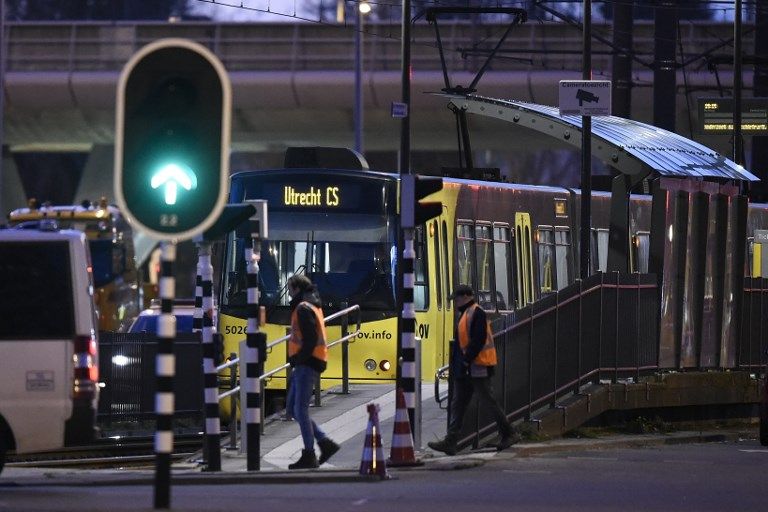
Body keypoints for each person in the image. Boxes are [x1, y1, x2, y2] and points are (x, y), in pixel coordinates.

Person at [428, 284, 520, 456]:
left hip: (477, 367)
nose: (454, 303)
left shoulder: (476, 313)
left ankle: (509, 433)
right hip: (466, 369)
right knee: (458, 404)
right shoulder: (466, 314)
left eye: (455, 299)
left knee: (488, 401)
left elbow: (477, 340)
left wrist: (466, 360)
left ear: (465, 297)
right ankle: (451, 441)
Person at [285, 274, 340, 469]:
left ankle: (310, 454)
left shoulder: (303, 309)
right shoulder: (309, 305)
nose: (289, 292)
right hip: (304, 363)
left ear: (297, 289)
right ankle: (325, 443)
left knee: (300, 409)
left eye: (290, 288)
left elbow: (309, 339)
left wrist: (299, 359)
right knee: (292, 408)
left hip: (307, 363)